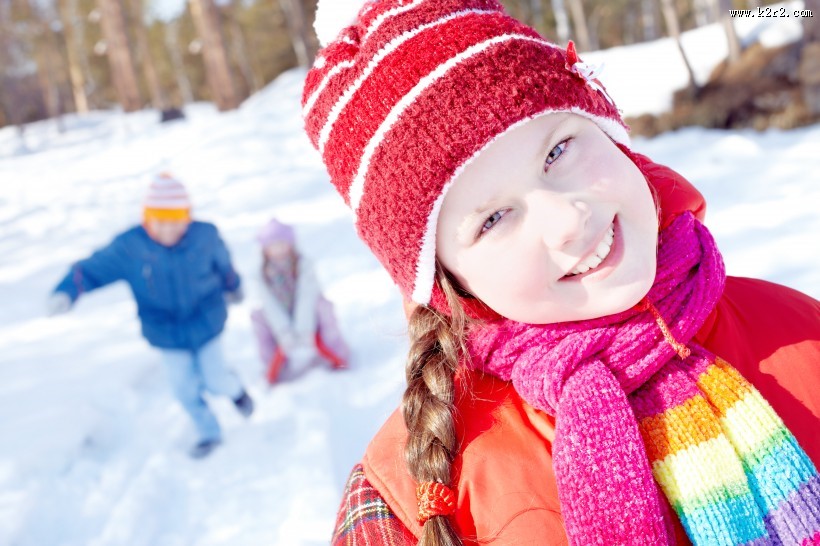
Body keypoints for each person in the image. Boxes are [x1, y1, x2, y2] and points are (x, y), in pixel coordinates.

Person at [302, 1, 820, 545]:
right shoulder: (409, 497)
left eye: (558, 150)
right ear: (447, 281)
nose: (568, 219)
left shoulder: (799, 330)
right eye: (494, 218)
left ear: (613, 133)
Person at [48, 173, 254, 459]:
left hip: (207, 322)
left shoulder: (205, 236)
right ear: (147, 219)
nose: (168, 229)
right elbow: (93, 268)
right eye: (160, 222)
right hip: (165, 333)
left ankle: (237, 392)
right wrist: (67, 291)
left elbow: (224, 264)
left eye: (176, 221)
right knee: (183, 389)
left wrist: (234, 287)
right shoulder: (131, 247)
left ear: (187, 218)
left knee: (216, 378)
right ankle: (209, 432)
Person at [250, 218, 349, 384]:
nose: (278, 249)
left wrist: (304, 329)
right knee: (257, 315)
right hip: (280, 318)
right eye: (273, 246)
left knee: (324, 306)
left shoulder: (303, 265)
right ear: (265, 250)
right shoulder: (262, 273)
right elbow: (269, 305)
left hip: (309, 315)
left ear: (290, 244)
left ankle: (337, 351)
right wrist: (284, 332)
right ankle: (271, 366)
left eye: (282, 243)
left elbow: (307, 296)